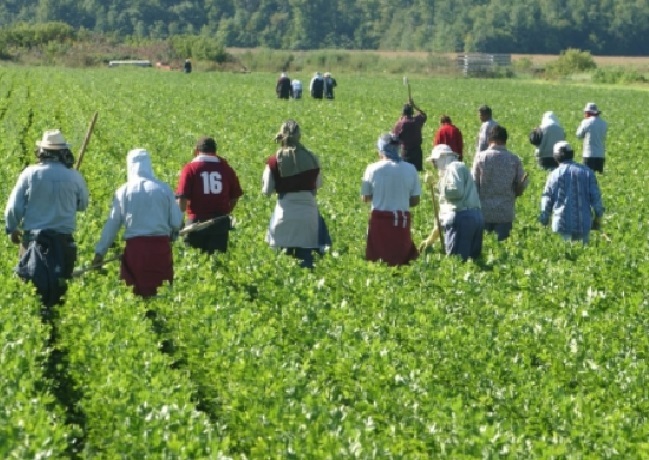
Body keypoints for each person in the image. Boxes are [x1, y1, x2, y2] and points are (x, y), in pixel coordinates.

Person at [5, 129, 89, 306]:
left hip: (33, 241)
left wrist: (12, 229)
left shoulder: (30, 174)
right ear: (62, 152)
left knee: (30, 291)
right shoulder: (74, 176)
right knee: (61, 290)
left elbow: (13, 208)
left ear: (42, 151)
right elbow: (82, 205)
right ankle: (56, 326)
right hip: (63, 242)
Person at [92, 148, 183, 298]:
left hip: (135, 251)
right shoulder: (163, 189)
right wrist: (172, 232)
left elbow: (112, 225)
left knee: (135, 295)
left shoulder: (123, 191)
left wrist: (100, 253)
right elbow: (176, 221)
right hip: (160, 249)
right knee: (160, 293)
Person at [262, 120, 331, 268]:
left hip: (284, 214)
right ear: (299, 136)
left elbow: (266, 190)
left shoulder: (274, 161)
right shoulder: (312, 158)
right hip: (308, 216)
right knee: (307, 264)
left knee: (281, 266)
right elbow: (318, 185)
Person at [175, 136, 243, 254]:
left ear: (196, 151)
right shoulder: (225, 168)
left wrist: (178, 221)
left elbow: (182, 201)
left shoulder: (190, 169)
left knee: (195, 261)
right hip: (220, 223)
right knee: (217, 263)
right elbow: (235, 195)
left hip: (196, 223)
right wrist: (226, 211)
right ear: (215, 151)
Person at [361, 133, 421, 266]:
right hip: (400, 220)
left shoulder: (372, 169)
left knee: (378, 259)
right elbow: (415, 200)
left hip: (380, 221)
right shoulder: (410, 169)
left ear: (381, 149)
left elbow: (365, 197)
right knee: (401, 257)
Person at [426, 144, 483, 261]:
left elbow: (456, 192)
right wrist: (432, 237)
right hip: (473, 216)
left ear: (442, 157)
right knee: (473, 261)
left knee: (457, 262)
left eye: (434, 161)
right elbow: (445, 209)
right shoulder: (452, 171)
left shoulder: (454, 167)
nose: (435, 165)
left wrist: (438, 186)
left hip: (462, 218)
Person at [540, 141, 605, 243]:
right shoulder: (587, 172)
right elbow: (596, 198)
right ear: (572, 154)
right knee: (583, 256)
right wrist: (598, 218)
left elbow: (547, 198)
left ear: (555, 157)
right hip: (583, 224)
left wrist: (544, 219)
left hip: (561, 225)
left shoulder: (553, 175)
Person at [472, 125, 528, 241]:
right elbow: (521, 186)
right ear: (505, 140)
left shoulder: (480, 158)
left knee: (485, 248)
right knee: (502, 249)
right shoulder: (514, 159)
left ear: (490, 140)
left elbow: (474, 184)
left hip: (484, 211)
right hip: (505, 212)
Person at [392, 100, 427, 171]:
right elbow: (424, 115)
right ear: (412, 112)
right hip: (417, 151)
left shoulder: (400, 123)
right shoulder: (417, 120)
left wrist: (400, 118)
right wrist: (415, 106)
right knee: (416, 172)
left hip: (405, 152)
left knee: (405, 172)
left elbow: (394, 136)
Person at [576, 102, 607, 173]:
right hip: (600, 154)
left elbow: (578, 135)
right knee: (598, 177)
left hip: (588, 154)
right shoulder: (604, 123)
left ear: (588, 113)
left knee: (587, 177)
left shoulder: (586, 122)